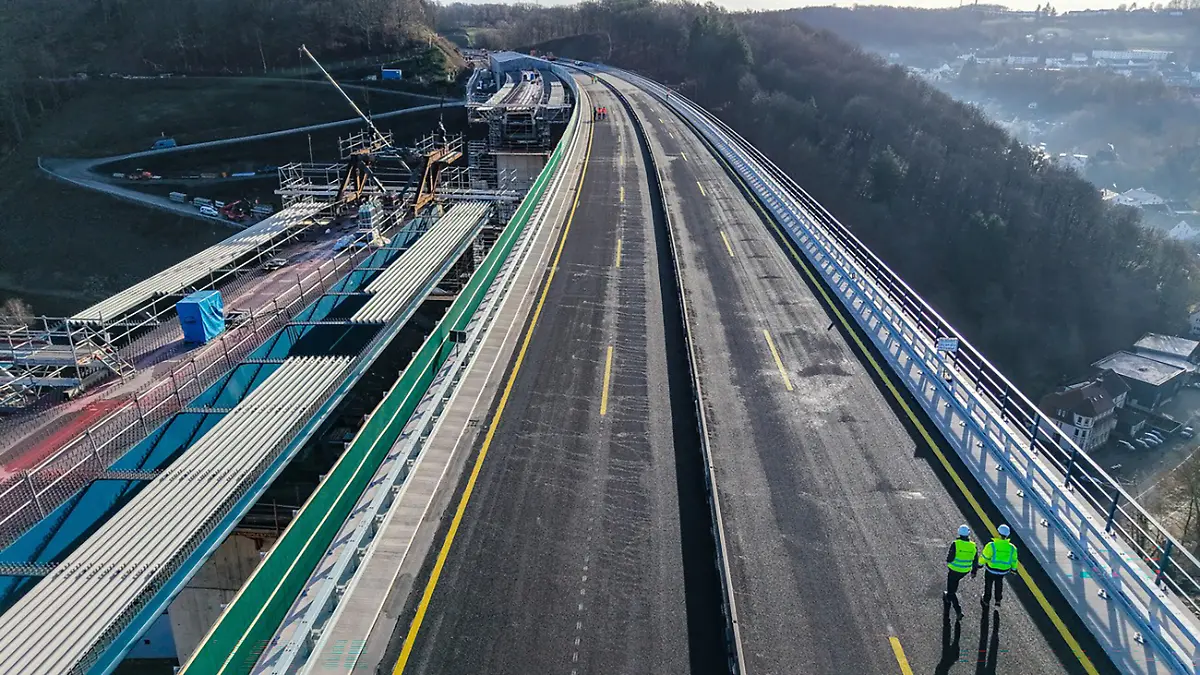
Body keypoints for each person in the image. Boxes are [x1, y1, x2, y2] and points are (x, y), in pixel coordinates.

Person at [979, 524, 1019, 610]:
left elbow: (984, 557)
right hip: (1003, 571)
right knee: (999, 583)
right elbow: (1014, 560)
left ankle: (986, 599)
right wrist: (1014, 570)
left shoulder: (991, 545)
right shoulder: (1012, 548)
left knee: (988, 584)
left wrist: (979, 564)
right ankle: (998, 600)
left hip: (991, 569)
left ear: (998, 533)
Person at [944, 524, 976, 618]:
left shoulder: (956, 543)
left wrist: (948, 561)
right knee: (955, 582)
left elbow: (951, 556)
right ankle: (949, 595)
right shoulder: (973, 545)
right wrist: (974, 571)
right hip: (965, 570)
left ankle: (958, 610)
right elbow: (975, 559)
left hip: (954, 569)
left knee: (951, 587)